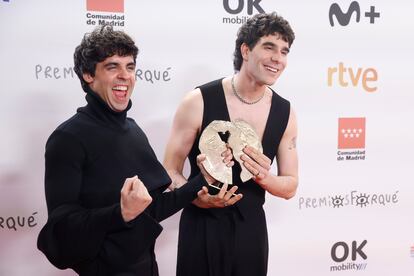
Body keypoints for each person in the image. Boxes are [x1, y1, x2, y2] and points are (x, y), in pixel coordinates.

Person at [36, 25, 233, 276]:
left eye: (130, 67)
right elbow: (60, 231)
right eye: (112, 66)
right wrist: (120, 213)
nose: (124, 75)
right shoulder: (67, 138)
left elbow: (152, 210)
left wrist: (202, 179)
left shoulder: (133, 130)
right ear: (88, 74)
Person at [163, 12, 298, 276]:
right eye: (269, 47)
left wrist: (263, 177)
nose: (277, 59)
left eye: (284, 51)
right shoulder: (198, 101)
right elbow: (169, 169)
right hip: (201, 225)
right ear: (245, 50)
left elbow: (290, 184)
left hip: (251, 232)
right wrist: (196, 198)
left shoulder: (285, 112)